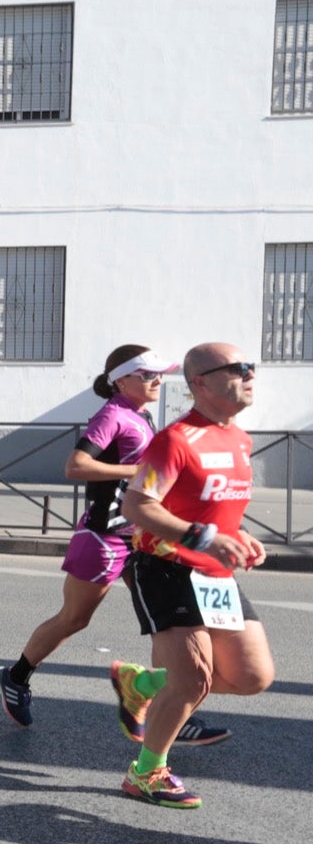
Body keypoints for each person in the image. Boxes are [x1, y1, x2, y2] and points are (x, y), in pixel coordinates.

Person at [0, 345, 225, 741]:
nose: (157, 381)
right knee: (74, 618)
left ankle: (165, 705)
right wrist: (138, 468)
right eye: (147, 374)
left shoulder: (141, 415)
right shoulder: (112, 415)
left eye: (159, 374)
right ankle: (16, 677)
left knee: (164, 624)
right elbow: (75, 465)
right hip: (103, 536)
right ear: (121, 380)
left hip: (141, 537)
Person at [113, 345, 273, 809]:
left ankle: (141, 684)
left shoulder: (240, 440)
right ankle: (146, 773)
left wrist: (239, 536)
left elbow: (210, 507)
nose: (249, 376)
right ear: (200, 383)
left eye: (251, 368)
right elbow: (137, 506)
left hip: (215, 572)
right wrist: (203, 538)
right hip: (164, 566)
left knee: (252, 676)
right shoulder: (176, 439)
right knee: (191, 680)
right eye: (238, 369)